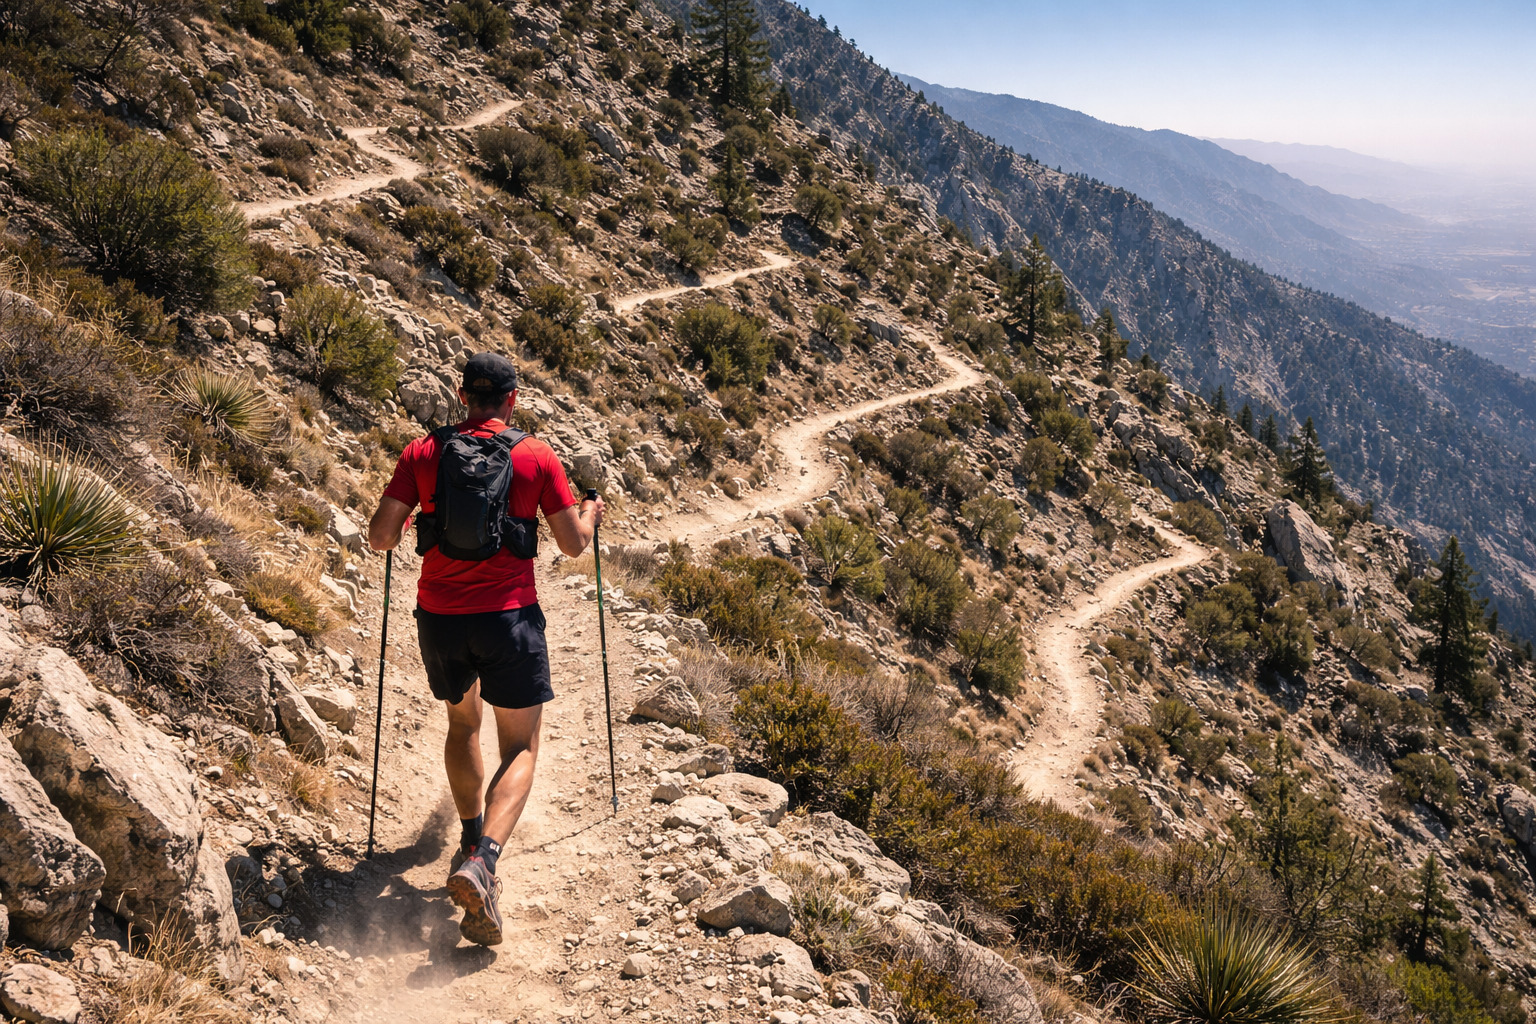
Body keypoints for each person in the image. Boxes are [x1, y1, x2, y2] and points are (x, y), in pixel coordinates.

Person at [368, 352, 603, 947]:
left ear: (461, 394)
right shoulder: (535, 455)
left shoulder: (422, 452)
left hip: (442, 618)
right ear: (512, 398)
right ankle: (483, 861)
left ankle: (470, 835)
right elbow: (573, 545)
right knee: (520, 745)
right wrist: (592, 513)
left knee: (461, 727)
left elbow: (380, 537)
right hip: (509, 620)